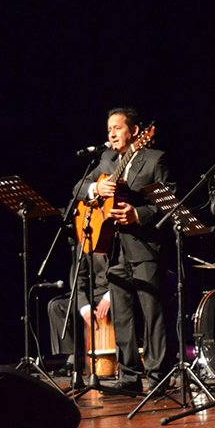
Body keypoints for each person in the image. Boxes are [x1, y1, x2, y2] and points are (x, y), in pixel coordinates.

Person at [75, 107, 174, 394]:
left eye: (117, 128)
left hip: (144, 247)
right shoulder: (106, 160)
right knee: (122, 316)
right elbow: (77, 188)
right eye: (109, 130)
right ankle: (129, 378)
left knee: (152, 314)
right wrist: (96, 187)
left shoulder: (155, 159)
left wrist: (138, 214)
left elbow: (169, 203)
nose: (112, 134)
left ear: (134, 132)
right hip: (113, 248)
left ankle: (158, 378)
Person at [46, 251, 110, 377]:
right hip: (94, 293)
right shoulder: (86, 241)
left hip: (117, 291)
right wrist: (85, 307)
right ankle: (73, 360)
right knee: (57, 306)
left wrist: (110, 297)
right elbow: (78, 278)